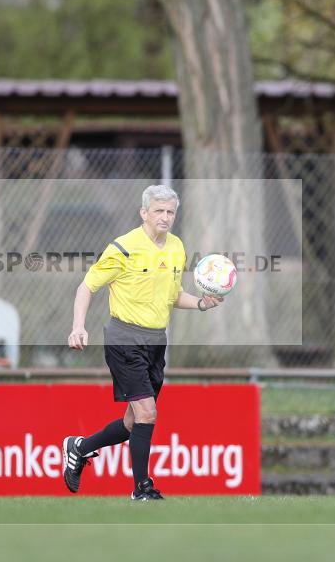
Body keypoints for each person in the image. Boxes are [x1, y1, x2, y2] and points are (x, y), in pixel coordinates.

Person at [64, 185, 223, 500]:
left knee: (132, 421)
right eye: (159, 211)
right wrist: (77, 326)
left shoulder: (176, 247)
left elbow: (173, 295)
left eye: (170, 212)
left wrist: (202, 303)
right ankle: (142, 489)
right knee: (148, 413)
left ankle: (80, 447)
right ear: (144, 213)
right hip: (124, 339)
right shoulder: (123, 247)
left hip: (155, 342)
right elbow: (87, 286)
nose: (165, 217)